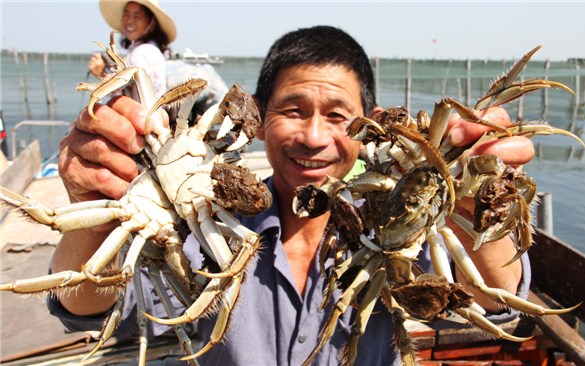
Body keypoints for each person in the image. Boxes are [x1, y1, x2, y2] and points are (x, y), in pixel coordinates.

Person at [49, 26, 534, 365]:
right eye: (294, 110)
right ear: (257, 121)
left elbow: (497, 304)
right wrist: (95, 218)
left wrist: (475, 206)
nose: (314, 137)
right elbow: (85, 306)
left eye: (339, 116)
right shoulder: (202, 227)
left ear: (369, 127)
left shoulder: (395, 232)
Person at [87, 0, 176, 96]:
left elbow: (133, 100)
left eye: (137, 16)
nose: (129, 21)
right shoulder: (150, 49)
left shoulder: (141, 53)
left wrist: (101, 75)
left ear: (152, 23)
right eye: (126, 14)